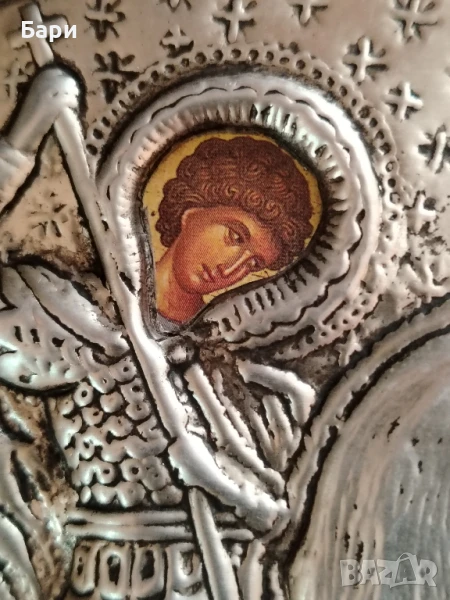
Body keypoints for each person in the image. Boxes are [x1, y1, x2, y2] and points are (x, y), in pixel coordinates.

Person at [154, 136, 314, 325]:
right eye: (236, 236)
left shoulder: (212, 333)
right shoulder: (122, 286)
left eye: (253, 263)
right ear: (192, 213)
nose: (230, 270)